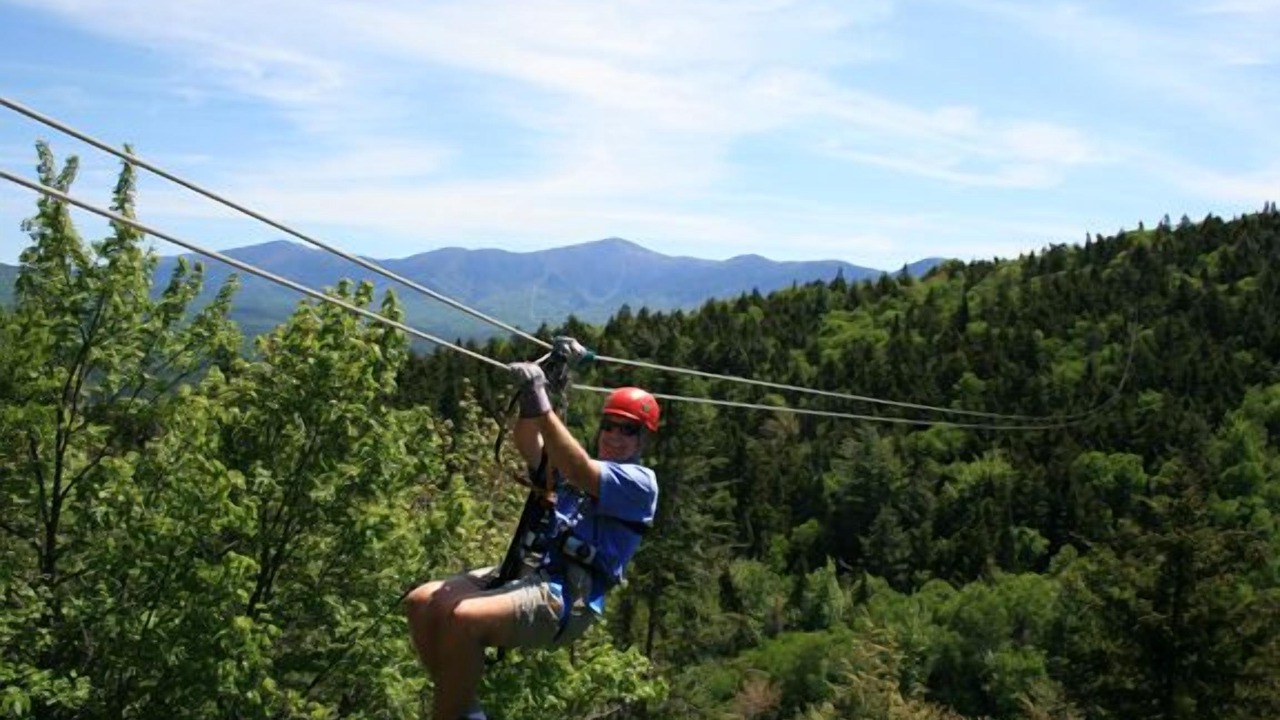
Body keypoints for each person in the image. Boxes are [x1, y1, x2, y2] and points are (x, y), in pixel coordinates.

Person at [404, 362, 660, 720]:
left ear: (643, 439)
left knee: (463, 620)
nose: (614, 435)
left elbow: (577, 468)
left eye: (628, 430)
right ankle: (464, 711)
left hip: (567, 595)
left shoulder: (639, 484)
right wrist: (530, 398)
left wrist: (541, 397)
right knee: (420, 603)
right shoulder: (577, 469)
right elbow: (528, 443)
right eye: (609, 425)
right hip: (530, 570)